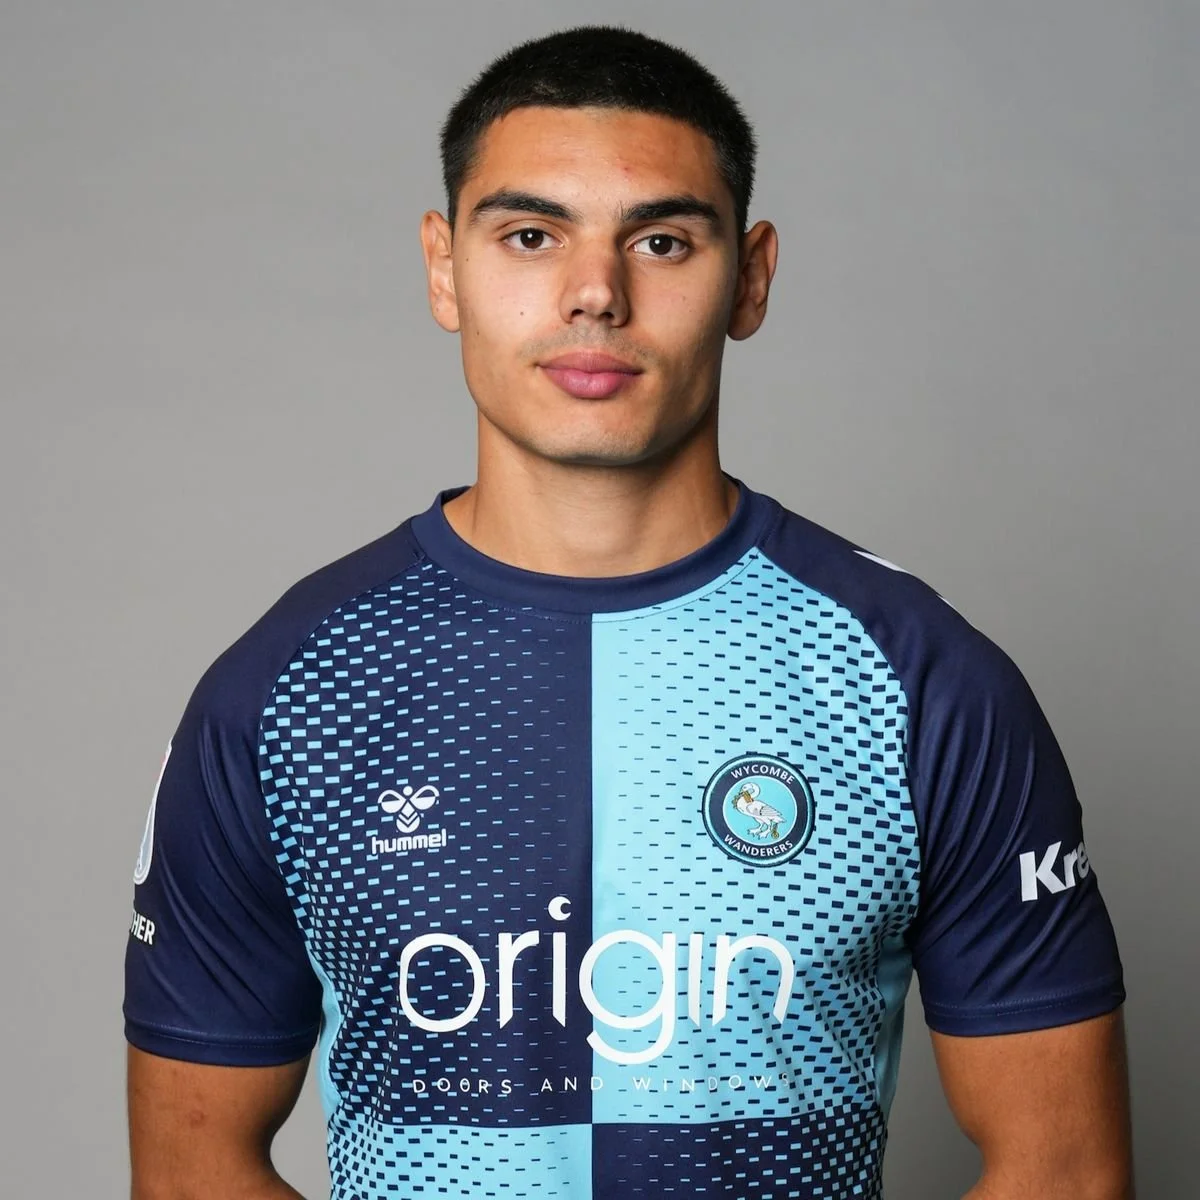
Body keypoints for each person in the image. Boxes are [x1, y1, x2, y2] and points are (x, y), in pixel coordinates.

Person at [124, 25, 1131, 1200]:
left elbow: (1061, 1167)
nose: (596, 293)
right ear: (445, 267)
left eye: (661, 239)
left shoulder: (919, 680)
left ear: (749, 276)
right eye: (531, 235)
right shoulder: (291, 688)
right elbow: (193, 1162)